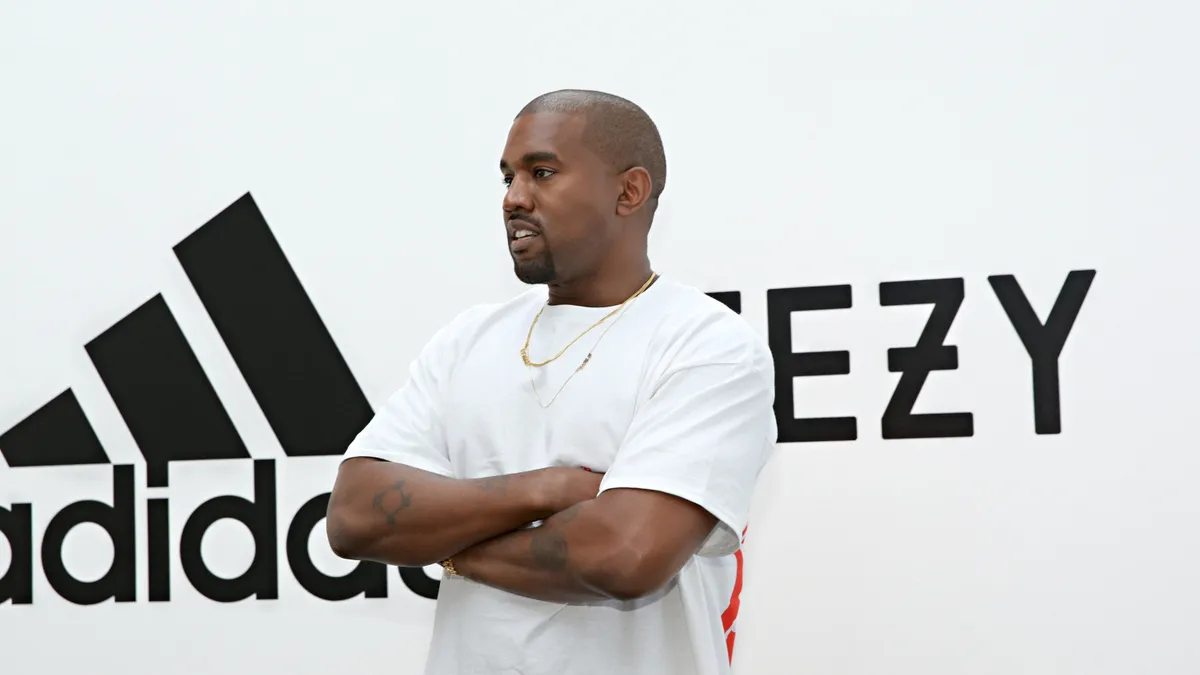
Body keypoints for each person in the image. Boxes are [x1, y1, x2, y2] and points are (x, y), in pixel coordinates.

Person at [326, 89, 778, 675]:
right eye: (508, 177)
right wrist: (551, 488)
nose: (514, 199)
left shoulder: (707, 344)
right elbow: (353, 517)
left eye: (542, 172)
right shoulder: (469, 339)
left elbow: (625, 557)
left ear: (629, 191)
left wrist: (446, 546)